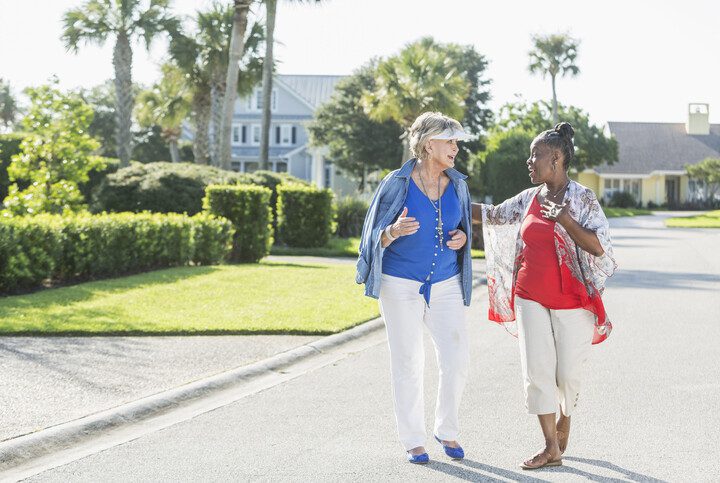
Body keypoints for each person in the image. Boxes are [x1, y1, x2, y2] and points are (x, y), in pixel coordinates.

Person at [472, 122, 617, 470]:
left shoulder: (583, 199)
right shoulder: (528, 198)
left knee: (567, 374)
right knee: (537, 370)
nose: (529, 161)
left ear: (555, 158)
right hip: (529, 296)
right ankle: (550, 446)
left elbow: (599, 248)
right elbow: (491, 216)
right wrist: (448, 197)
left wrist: (566, 220)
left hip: (572, 299)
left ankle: (566, 412)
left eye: (534, 154)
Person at [356, 112, 474, 464]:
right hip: (400, 283)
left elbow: (464, 227)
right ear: (428, 144)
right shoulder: (397, 183)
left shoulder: (459, 185)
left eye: (456, 141)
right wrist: (392, 232)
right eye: (449, 140)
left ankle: (446, 429)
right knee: (408, 360)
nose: (455, 147)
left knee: (456, 357)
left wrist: (463, 237)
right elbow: (369, 236)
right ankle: (413, 440)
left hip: (445, 282)